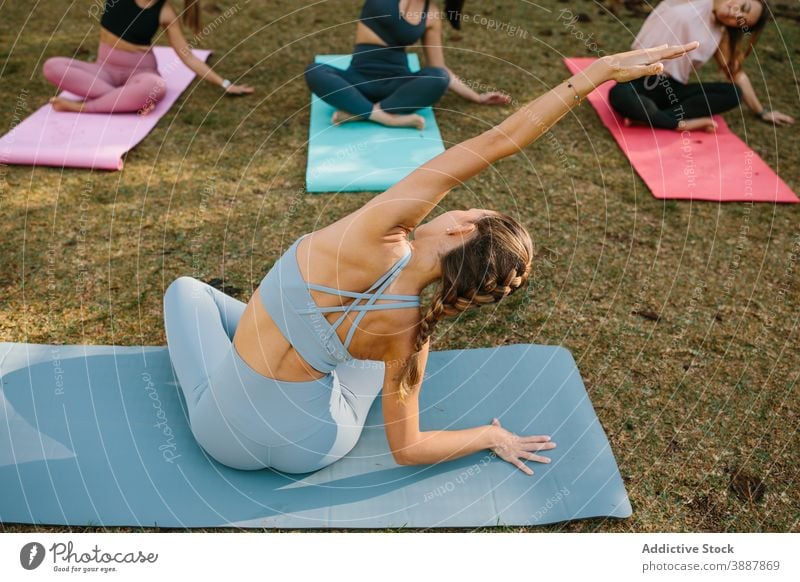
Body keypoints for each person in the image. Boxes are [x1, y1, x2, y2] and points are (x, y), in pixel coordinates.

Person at [164, 42, 699, 475]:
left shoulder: (374, 231)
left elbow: (500, 140)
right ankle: (316, 349)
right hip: (315, 449)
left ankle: (289, 346)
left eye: (466, 207)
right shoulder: (411, 334)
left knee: (186, 291)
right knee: (358, 354)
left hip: (223, 439)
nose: (456, 205)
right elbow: (409, 448)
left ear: (462, 226)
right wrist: (491, 435)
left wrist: (596, 73)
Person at [303, 0, 511, 130]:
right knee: (315, 71)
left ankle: (360, 111)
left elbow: (440, 67)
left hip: (397, 85)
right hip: (358, 78)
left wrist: (476, 97)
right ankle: (387, 118)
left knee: (438, 77)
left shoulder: (431, 13)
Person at [608, 0, 794, 132]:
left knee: (733, 93)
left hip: (671, 89)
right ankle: (675, 122)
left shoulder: (719, 34)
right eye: (743, 7)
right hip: (636, 78)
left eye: (740, 22)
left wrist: (762, 112)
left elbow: (736, 73)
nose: (736, 15)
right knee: (618, 94)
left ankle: (653, 116)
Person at [43, 0, 253, 114]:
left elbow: (186, 56)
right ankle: (124, 99)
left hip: (141, 73)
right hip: (103, 70)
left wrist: (225, 83)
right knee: (52, 66)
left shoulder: (165, 11)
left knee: (156, 88)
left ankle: (83, 107)